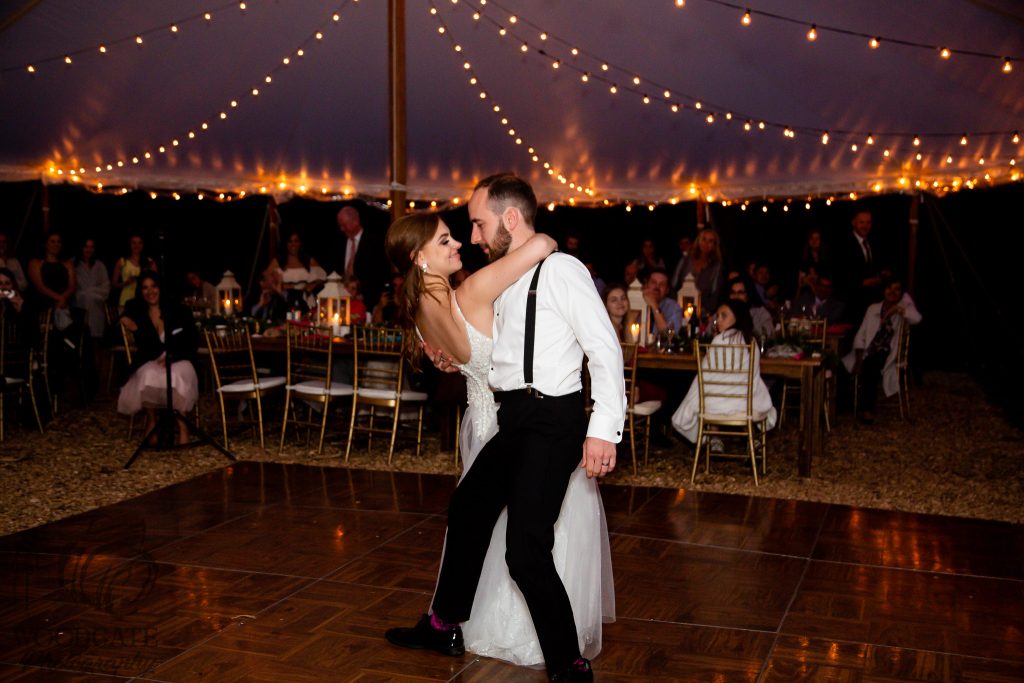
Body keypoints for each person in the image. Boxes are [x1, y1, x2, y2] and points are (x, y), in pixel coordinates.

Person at [384, 174, 624, 683]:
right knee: (469, 506)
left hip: (552, 423)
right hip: (515, 420)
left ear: (509, 219)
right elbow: (505, 355)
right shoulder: (507, 278)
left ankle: (569, 665)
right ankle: (443, 623)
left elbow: (604, 348)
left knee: (523, 548)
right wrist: (459, 363)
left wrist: (603, 428)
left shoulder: (560, 270)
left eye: (477, 224)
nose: (472, 237)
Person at [671, 298, 778, 442]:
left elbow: (705, 377)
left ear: (737, 317)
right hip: (744, 404)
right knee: (748, 392)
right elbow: (753, 376)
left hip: (715, 405)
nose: (718, 320)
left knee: (712, 393)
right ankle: (752, 440)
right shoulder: (751, 341)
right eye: (718, 316)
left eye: (724, 315)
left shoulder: (718, 341)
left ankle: (714, 438)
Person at [117, 271, 199, 444]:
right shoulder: (137, 310)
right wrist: (132, 326)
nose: (150, 291)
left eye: (154, 286)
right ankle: (152, 420)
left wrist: (172, 356)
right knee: (147, 374)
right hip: (151, 358)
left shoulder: (178, 310)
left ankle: (182, 426)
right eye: (145, 288)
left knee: (175, 376)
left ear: (160, 288)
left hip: (178, 358)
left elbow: (191, 342)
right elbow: (146, 345)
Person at [841, 276, 921, 423]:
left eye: (897, 289)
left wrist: (898, 308)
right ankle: (843, 404)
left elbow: (917, 318)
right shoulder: (873, 309)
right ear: (884, 290)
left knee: (870, 366)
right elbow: (861, 334)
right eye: (889, 288)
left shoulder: (903, 308)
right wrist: (859, 356)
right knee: (842, 366)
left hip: (887, 352)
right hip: (868, 350)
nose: (893, 292)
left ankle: (867, 411)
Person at [835, 209, 890, 324]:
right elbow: (840, 274)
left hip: (871, 302)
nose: (865, 226)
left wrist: (880, 275)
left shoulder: (873, 241)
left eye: (868, 222)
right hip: (852, 304)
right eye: (862, 222)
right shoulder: (843, 244)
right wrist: (862, 282)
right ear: (853, 222)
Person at [337, 204, 389, 311]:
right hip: (342, 302)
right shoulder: (339, 242)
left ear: (355, 222)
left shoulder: (374, 243)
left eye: (344, 225)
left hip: (367, 303)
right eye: (340, 225)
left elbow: (379, 274)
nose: (342, 229)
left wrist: (365, 296)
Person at [266, 231, 326, 311]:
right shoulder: (277, 262)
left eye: (296, 241)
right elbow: (265, 280)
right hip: (283, 301)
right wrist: (280, 286)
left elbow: (323, 277)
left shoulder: (308, 261)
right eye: (290, 241)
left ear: (300, 243)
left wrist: (311, 285)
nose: (293, 244)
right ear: (286, 244)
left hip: (305, 300)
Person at [675, 227, 725, 312]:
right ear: (698, 241)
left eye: (710, 241)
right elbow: (674, 283)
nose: (706, 243)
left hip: (701, 309)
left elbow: (714, 292)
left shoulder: (716, 266)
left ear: (714, 245)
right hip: (679, 305)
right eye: (704, 239)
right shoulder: (686, 259)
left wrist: (706, 310)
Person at [73, 238, 110, 341]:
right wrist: (84, 295)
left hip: (96, 308)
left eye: (91, 247)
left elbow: (106, 287)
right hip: (79, 308)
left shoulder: (100, 265)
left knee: (96, 341)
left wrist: (91, 293)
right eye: (86, 246)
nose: (89, 250)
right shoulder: (73, 264)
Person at [111, 235, 157, 312]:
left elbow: (157, 281)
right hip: (126, 299)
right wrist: (125, 283)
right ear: (129, 244)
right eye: (134, 243)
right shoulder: (122, 261)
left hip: (145, 299)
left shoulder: (150, 262)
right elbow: (113, 284)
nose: (137, 245)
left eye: (139, 243)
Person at [642, 268, 682, 334]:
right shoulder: (637, 302)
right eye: (653, 282)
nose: (657, 287)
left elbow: (668, 336)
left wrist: (654, 305)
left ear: (667, 290)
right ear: (646, 285)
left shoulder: (674, 307)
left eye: (662, 284)